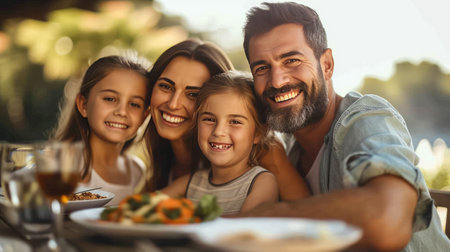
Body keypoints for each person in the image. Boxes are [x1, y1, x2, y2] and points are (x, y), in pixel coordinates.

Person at [240, 2, 449, 251]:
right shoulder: (289, 150)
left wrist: (262, 219)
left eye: (292, 60)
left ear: (327, 65)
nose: (277, 80)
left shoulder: (365, 118)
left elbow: (389, 221)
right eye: (262, 68)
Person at [143, 39, 309, 201]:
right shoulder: (160, 155)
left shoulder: (264, 151)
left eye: (193, 94)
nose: (173, 104)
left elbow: (304, 214)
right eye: (165, 86)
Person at [161, 71, 280, 215]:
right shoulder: (190, 183)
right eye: (209, 119)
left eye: (235, 122)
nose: (218, 131)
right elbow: (142, 205)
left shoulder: (262, 182)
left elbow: (244, 228)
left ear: (258, 133)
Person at [52, 54, 151, 205]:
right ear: (83, 105)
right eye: (110, 99)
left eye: (134, 104)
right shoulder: (60, 164)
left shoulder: (136, 170)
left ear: (144, 116)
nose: (122, 112)